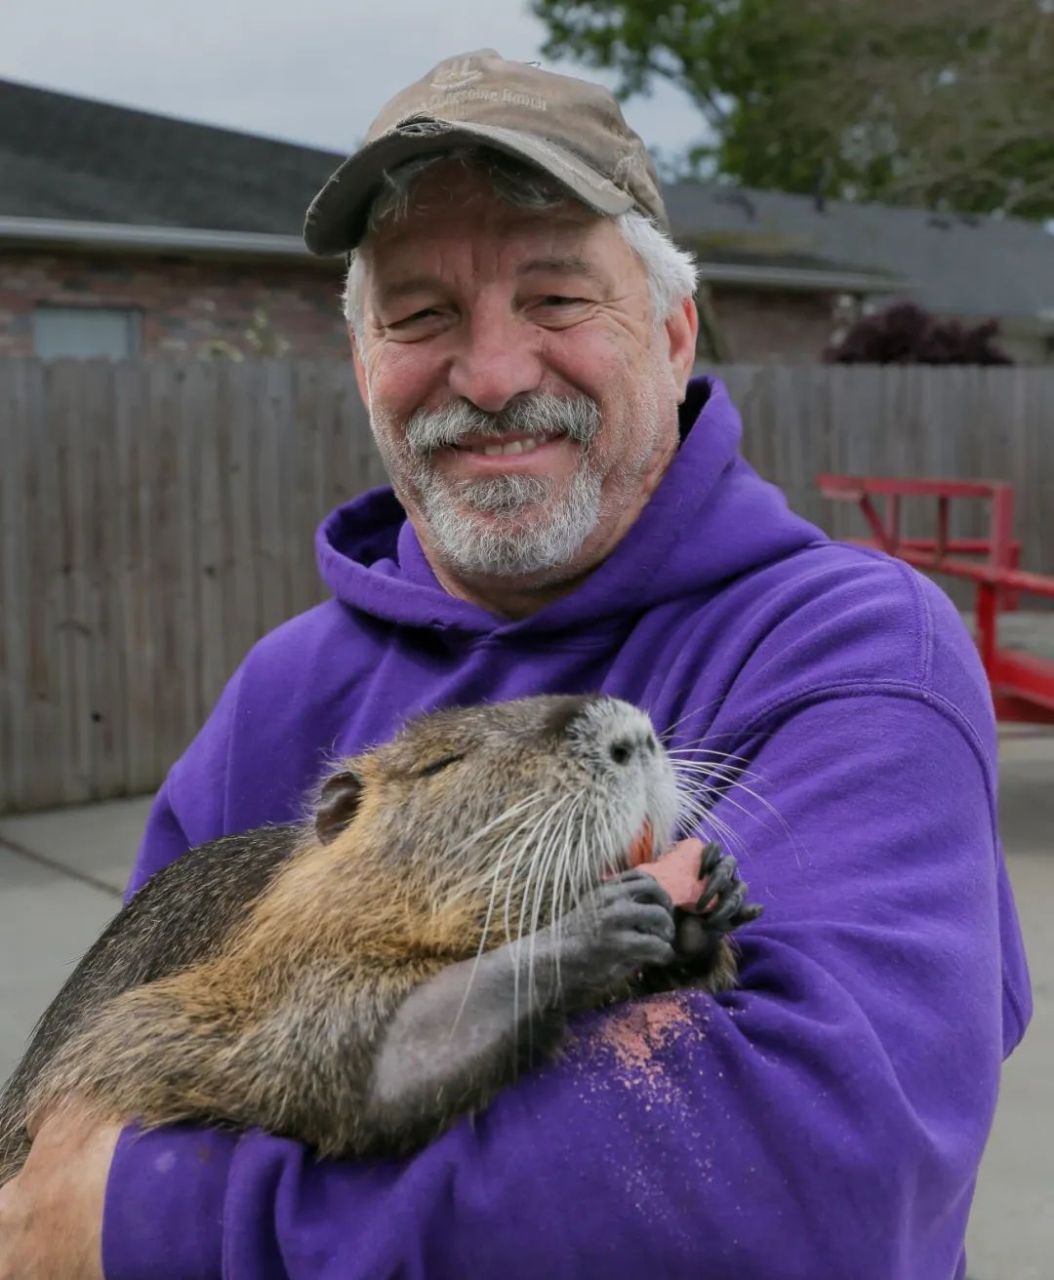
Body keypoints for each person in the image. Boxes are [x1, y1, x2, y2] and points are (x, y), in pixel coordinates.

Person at [0, 48, 1030, 1280]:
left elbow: (810, 1192)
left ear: (670, 329)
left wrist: (154, 1224)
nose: (489, 374)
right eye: (421, 314)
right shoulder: (281, 693)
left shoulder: (847, 646)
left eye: (554, 299)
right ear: (365, 364)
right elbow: (107, 1117)